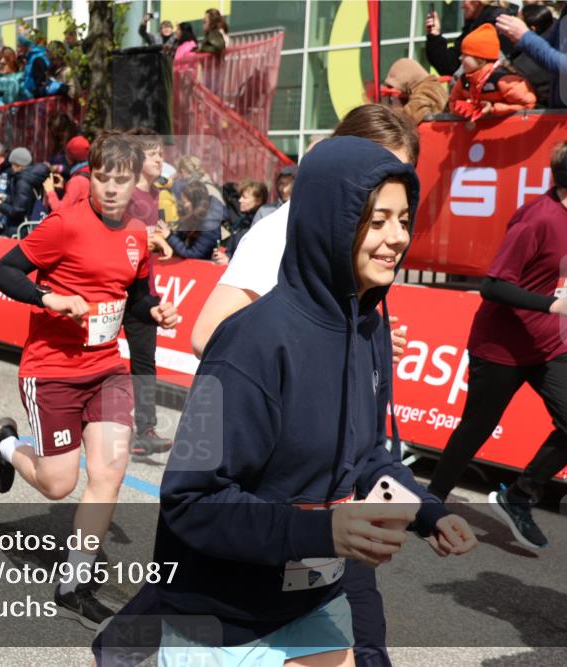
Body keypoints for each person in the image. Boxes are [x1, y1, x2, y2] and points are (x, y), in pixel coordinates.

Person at [143, 137, 476, 667]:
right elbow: (190, 500)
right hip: (220, 618)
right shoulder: (247, 343)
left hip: (313, 598)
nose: (397, 239)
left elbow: (367, 456)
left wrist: (425, 511)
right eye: (378, 220)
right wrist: (321, 531)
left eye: (404, 220)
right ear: (330, 221)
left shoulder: (368, 327)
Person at [0, 132, 179, 629]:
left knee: (109, 472)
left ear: (135, 181)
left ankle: (71, 583)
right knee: (57, 483)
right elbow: (2, 271)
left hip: (107, 367)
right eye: (101, 178)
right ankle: (8, 445)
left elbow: (134, 295)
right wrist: (48, 299)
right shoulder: (64, 225)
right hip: (52, 369)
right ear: (88, 176)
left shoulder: (139, 233)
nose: (111, 189)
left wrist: (154, 310)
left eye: (120, 180)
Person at [426, 137, 567, 549]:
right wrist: (552, 305)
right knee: (476, 428)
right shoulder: (536, 218)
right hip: (502, 345)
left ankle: (519, 496)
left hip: (551, 344)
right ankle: (430, 503)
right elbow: (493, 286)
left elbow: (564, 274)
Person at [192, 104, 418, 359]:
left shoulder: (359, 234)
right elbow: (207, 336)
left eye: (404, 175)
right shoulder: (278, 231)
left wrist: (367, 341)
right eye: (380, 173)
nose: (393, 187)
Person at [124, 128, 174, 456]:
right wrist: (154, 238)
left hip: (144, 287)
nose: (160, 159)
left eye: (161, 154)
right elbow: (118, 235)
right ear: (138, 158)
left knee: (145, 362)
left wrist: (160, 234)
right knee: (93, 355)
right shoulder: (124, 192)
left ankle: (145, 430)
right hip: (114, 284)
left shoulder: (156, 194)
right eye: (153, 154)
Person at [448, 24, 537, 120]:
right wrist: (468, 109)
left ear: (480, 59)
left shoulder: (504, 80)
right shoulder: (464, 80)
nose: (460, 58)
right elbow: (453, 103)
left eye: (465, 55)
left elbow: (529, 104)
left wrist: (493, 109)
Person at [425, 0, 516, 76]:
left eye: (464, 1)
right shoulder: (474, 26)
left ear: (477, 1)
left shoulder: (498, 27)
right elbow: (450, 65)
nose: (462, 6)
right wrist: (435, 35)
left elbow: (452, 68)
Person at [151, 180, 219, 260]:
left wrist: (169, 236)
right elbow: (180, 238)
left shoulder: (209, 226)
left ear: (195, 202)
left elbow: (193, 254)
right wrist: (166, 234)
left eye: (185, 201)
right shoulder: (192, 218)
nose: (182, 205)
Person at [0, 147, 50, 237]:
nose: (11, 168)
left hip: (20, 229)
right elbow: (22, 201)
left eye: (13, 165)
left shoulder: (22, 181)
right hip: (29, 225)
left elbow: (18, 211)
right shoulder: (32, 177)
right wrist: (5, 198)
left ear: (19, 165)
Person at [508, 3, 557, 106]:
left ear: (532, 29)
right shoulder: (564, 38)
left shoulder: (525, 64)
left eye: (517, 25)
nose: (510, 30)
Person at [383, 58, 451, 124]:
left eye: (393, 87)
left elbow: (410, 117)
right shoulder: (431, 86)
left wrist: (395, 107)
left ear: (406, 79)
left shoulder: (426, 89)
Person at [43, 135, 92, 211]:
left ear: (72, 158)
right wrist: (65, 185)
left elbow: (60, 210)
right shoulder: (89, 173)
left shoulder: (77, 181)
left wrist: (50, 191)